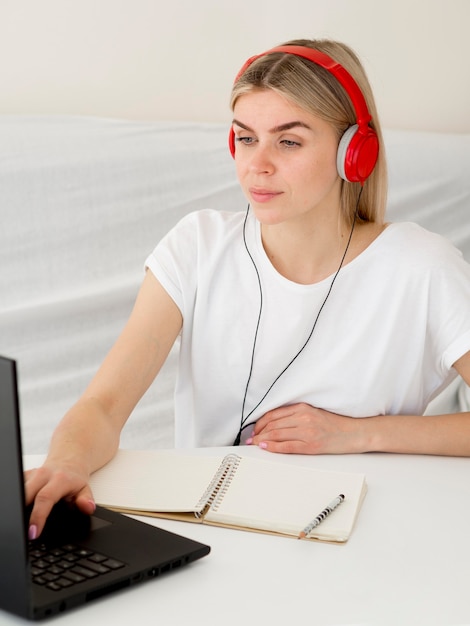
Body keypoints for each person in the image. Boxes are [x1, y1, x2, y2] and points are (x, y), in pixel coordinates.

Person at [25, 38, 470, 539]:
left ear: (354, 153)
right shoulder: (197, 245)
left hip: (358, 536)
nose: (257, 165)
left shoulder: (421, 267)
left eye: (289, 141)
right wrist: (66, 462)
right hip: (210, 536)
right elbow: (104, 406)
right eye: (246, 138)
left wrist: (358, 433)